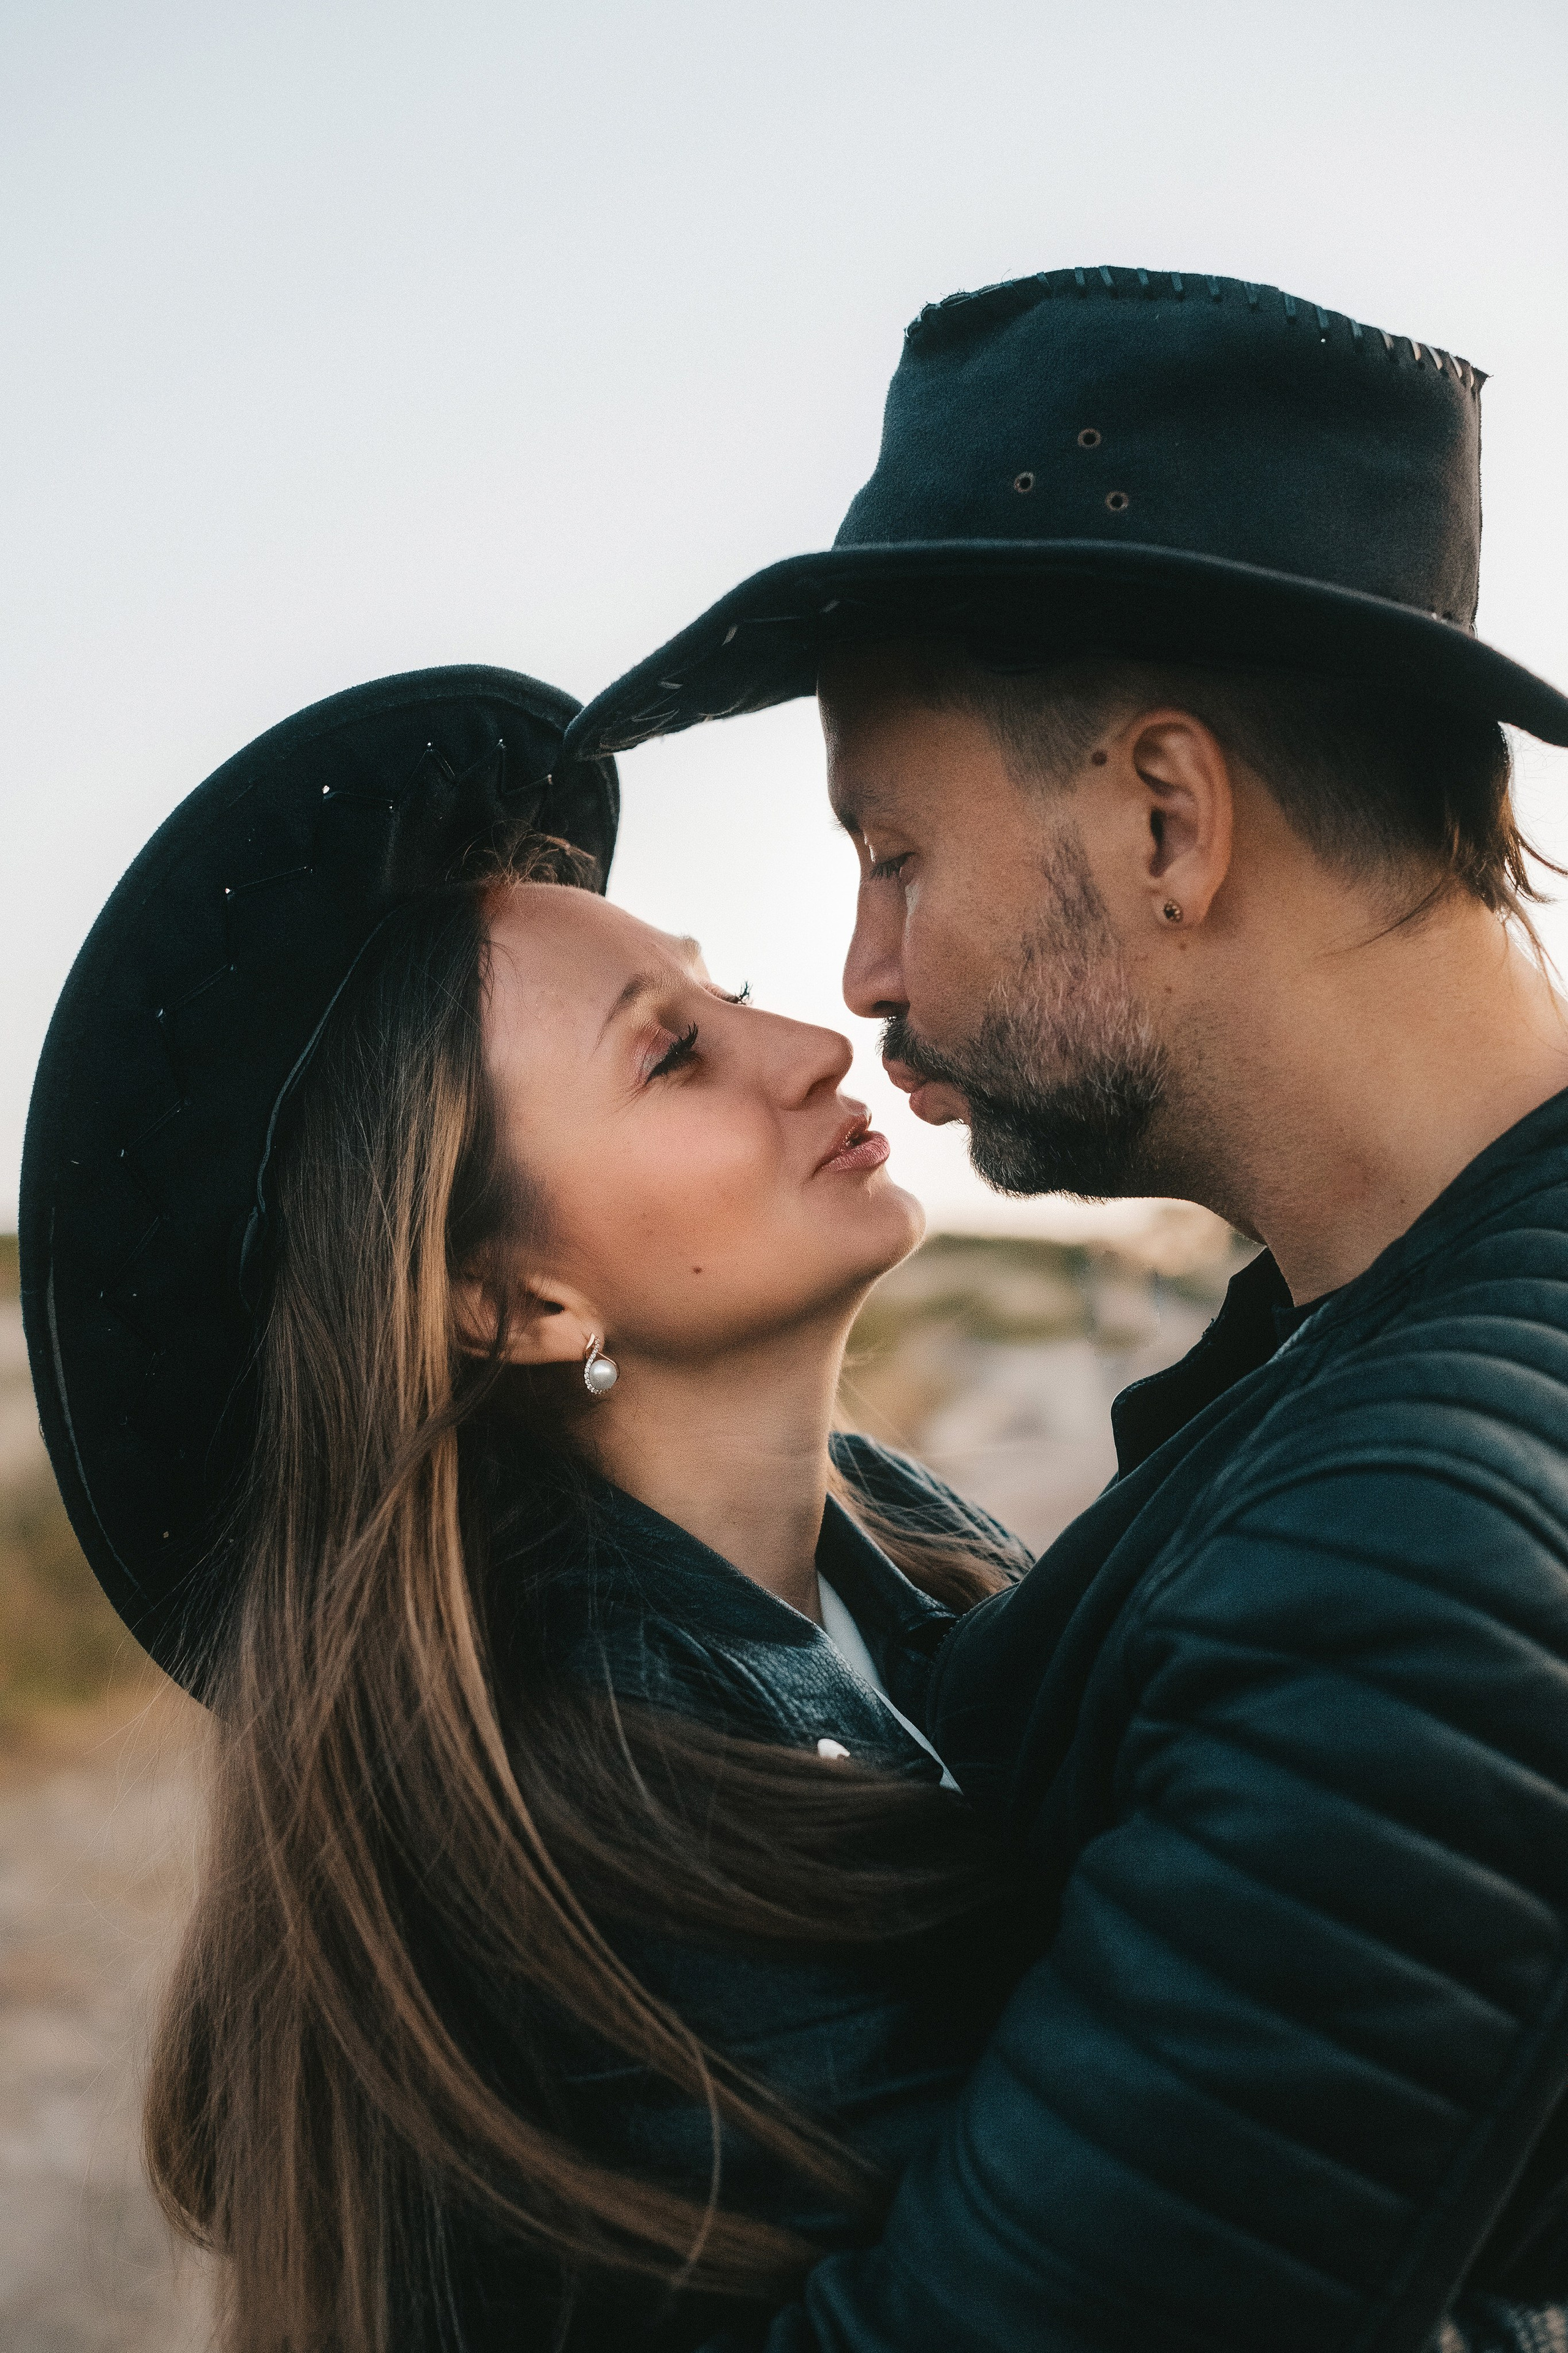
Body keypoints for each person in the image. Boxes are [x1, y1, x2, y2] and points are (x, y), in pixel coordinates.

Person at [567, 268, 1568, 2352]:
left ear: (1165, 820)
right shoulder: (1352, 1364)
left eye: (895, 850)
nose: (855, 973)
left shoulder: (1415, 1538)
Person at [18, 666, 1033, 2353]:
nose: (810, 1047)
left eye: (739, 993)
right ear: (514, 1302)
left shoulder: (913, 1547)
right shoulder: (608, 1832)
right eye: (673, 1054)